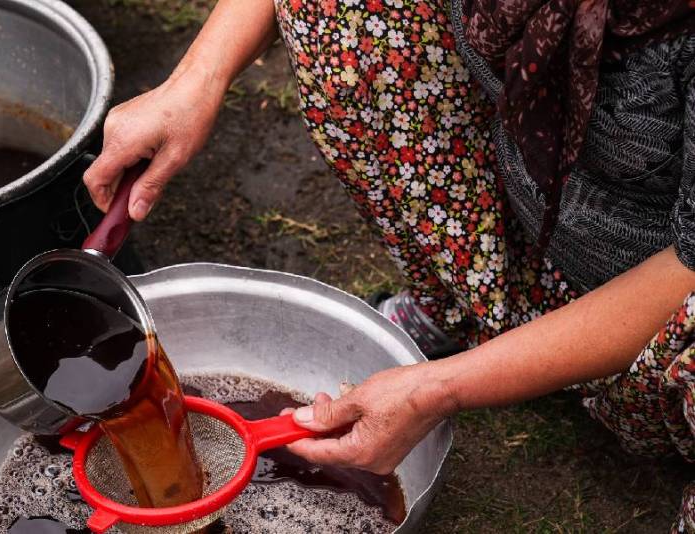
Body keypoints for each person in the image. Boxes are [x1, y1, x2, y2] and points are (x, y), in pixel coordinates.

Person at [83, 0, 695, 528]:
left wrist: (438, 390)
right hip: (536, 233)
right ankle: (471, 300)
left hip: (668, 330)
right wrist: (195, 81)